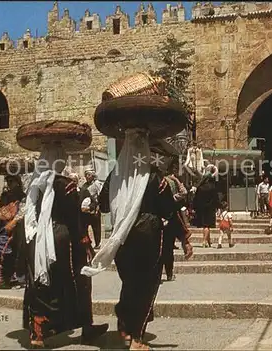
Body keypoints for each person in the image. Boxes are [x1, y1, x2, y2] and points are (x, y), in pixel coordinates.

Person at [81, 129, 192, 350]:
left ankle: (125, 327)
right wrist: (184, 238)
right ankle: (137, 338)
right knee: (145, 286)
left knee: (130, 284)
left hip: (122, 237)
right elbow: (170, 209)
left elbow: (102, 204)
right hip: (148, 235)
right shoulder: (153, 176)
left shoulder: (115, 175)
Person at [22, 148, 107, 348]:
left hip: (38, 238)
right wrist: (85, 238)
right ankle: (87, 327)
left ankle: (38, 331)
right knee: (80, 281)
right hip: (62, 238)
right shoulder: (65, 185)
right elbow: (74, 215)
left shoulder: (35, 183)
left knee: (43, 282)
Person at [0, 175, 26, 289]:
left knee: (2, 250)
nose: (9, 184)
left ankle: (3, 279)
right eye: (7, 181)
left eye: (11, 181)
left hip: (14, 229)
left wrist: (14, 222)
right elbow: (0, 209)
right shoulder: (5, 196)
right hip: (2, 228)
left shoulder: (22, 197)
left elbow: (23, 211)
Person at [162, 159, 191, 282]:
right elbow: (184, 192)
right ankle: (169, 273)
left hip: (159, 218)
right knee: (168, 248)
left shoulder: (161, 180)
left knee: (161, 248)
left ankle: (159, 274)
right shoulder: (172, 181)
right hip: (170, 217)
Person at [193, 169, 220, 248]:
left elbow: (196, 198)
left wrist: (195, 207)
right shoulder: (212, 187)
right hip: (210, 208)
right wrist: (218, 206)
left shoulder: (200, 187)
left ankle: (208, 241)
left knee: (205, 225)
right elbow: (216, 198)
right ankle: (204, 241)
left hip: (201, 208)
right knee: (207, 225)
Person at [80, 170, 103, 249]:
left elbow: (100, 196)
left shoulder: (97, 184)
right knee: (84, 227)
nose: (87, 176)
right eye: (86, 175)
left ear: (92, 176)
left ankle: (97, 243)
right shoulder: (84, 186)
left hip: (94, 208)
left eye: (89, 175)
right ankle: (87, 242)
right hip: (86, 210)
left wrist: (97, 207)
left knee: (96, 228)